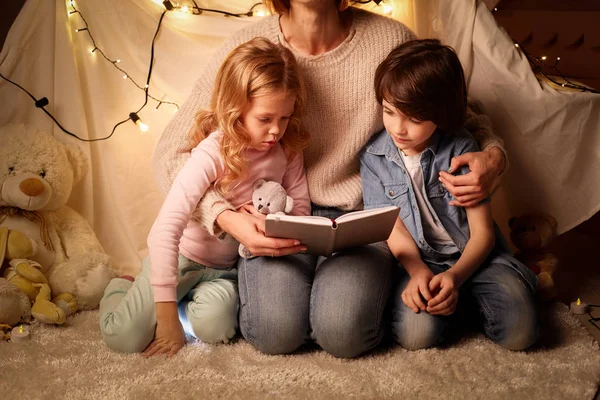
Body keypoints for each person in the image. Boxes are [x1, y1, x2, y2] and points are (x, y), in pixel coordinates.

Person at [153, 0, 508, 358]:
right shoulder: (250, 48)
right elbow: (171, 153)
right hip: (278, 216)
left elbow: (456, 111)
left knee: (344, 333)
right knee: (274, 333)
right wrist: (225, 218)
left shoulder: (390, 39)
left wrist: (493, 156)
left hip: (361, 218)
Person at [99, 37, 311, 357]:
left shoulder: (288, 151)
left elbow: (302, 208)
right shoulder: (213, 151)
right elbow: (164, 231)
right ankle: (122, 287)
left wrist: (275, 223)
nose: (276, 131)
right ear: (236, 108)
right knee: (123, 338)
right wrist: (166, 317)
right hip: (182, 259)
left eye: (284, 118)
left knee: (217, 329)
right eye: (265, 119)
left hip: (226, 271)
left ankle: (184, 303)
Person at [361, 39, 538, 351]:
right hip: (421, 261)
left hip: (477, 257)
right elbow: (394, 231)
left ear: (441, 113)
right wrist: (417, 274)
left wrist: (455, 278)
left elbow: (482, 233)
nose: (398, 128)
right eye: (389, 112)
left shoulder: (461, 150)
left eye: (414, 119)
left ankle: (473, 295)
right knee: (417, 336)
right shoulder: (374, 158)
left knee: (521, 332)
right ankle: (453, 307)